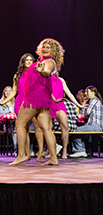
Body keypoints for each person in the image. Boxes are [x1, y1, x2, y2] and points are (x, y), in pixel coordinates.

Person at [10, 38, 64, 166]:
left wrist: (42, 72)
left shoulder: (50, 62)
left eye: (48, 47)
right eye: (43, 46)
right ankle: (54, 159)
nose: (45, 49)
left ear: (53, 51)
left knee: (20, 124)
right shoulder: (43, 61)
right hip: (44, 99)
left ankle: (21, 155)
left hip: (34, 98)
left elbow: (46, 72)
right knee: (46, 129)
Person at [51, 73, 85, 159]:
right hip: (49, 105)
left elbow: (69, 94)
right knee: (47, 128)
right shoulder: (44, 79)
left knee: (65, 126)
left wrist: (79, 105)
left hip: (59, 105)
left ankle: (64, 150)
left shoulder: (61, 80)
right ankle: (52, 150)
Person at [71, 85, 103, 158]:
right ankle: (86, 151)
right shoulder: (95, 100)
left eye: (86, 92)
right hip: (94, 125)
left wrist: (84, 104)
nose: (85, 94)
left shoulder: (94, 100)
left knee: (75, 130)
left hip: (95, 126)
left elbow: (87, 113)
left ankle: (80, 151)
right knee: (83, 131)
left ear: (92, 93)